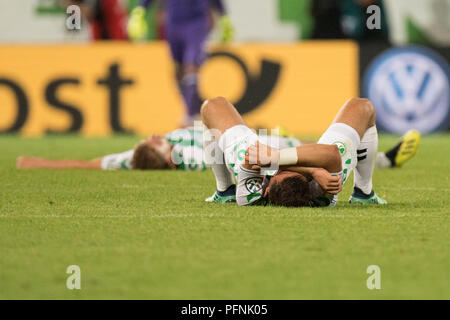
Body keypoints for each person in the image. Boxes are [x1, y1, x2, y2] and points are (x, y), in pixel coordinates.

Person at [201, 96, 420, 207]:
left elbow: (253, 157)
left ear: (264, 190)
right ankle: (364, 193)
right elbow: (331, 154)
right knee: (363, 107)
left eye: (271, 177)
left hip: (245, 152)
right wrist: (314, 171)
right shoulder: (325, 193)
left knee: (212, 105)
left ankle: (224, 190)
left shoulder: (249, 196)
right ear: (310, 185)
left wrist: (273, 159)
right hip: (329, 159)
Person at [127, 0, 234, 126]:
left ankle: (189, 116)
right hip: (173, 24)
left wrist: (223, 17)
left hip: (197, 23)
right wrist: (140, 10)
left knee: (191, 66)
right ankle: (192, 109)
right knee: (178, 70)